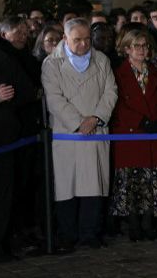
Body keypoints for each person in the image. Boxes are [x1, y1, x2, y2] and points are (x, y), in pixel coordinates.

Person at [42, 17, 118, 250]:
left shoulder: (102, 60)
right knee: (68, 186)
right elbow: (54, 99)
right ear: (65, 39)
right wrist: (78, 123)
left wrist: (95, 118)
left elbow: (110, 92)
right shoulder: (51, 64)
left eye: (87, 39)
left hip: (95, 132)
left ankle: (90, 234)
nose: (84, 44)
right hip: (68, 135)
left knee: (93, 185)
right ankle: (67, 234)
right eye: (77, 40)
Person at [0, 13, 36, 265]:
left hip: (6, 144)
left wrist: (8, 97)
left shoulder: (5, 59)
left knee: (1, 200)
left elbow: (26, 91)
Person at [110, 28, 157, 241]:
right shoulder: (118, 74)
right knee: (132, 182)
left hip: (154, 134)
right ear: (127, 49)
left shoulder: (156, 73)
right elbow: (117, 105)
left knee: (153, 181)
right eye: (137, 46)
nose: (142, 50)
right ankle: (133, 225)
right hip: (131, 136)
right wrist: (140, 121)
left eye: (145, 46)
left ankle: (150, 223)